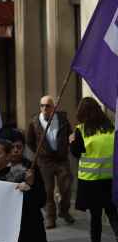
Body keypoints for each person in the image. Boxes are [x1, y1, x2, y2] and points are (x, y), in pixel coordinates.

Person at [69, 97, 117, 242]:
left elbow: (76, 153)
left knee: (95, 217)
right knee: (113, 214)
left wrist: (71, 142)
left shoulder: (81, 130)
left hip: (91, 180)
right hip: (110, 179)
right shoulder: (110, 129)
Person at [26, 95, 74, 228]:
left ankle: (64, 211)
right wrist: (40, 151)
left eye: (47, 106)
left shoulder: (62, 119)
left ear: (54, 107)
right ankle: (50, 217)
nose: (44, 108)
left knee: (66, 187)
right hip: (45, 161)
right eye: (42, 106)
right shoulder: (34, 122)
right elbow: (29, 141)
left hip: (61, 159)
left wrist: (70, 140)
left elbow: (69, 133)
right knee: (48, 190)